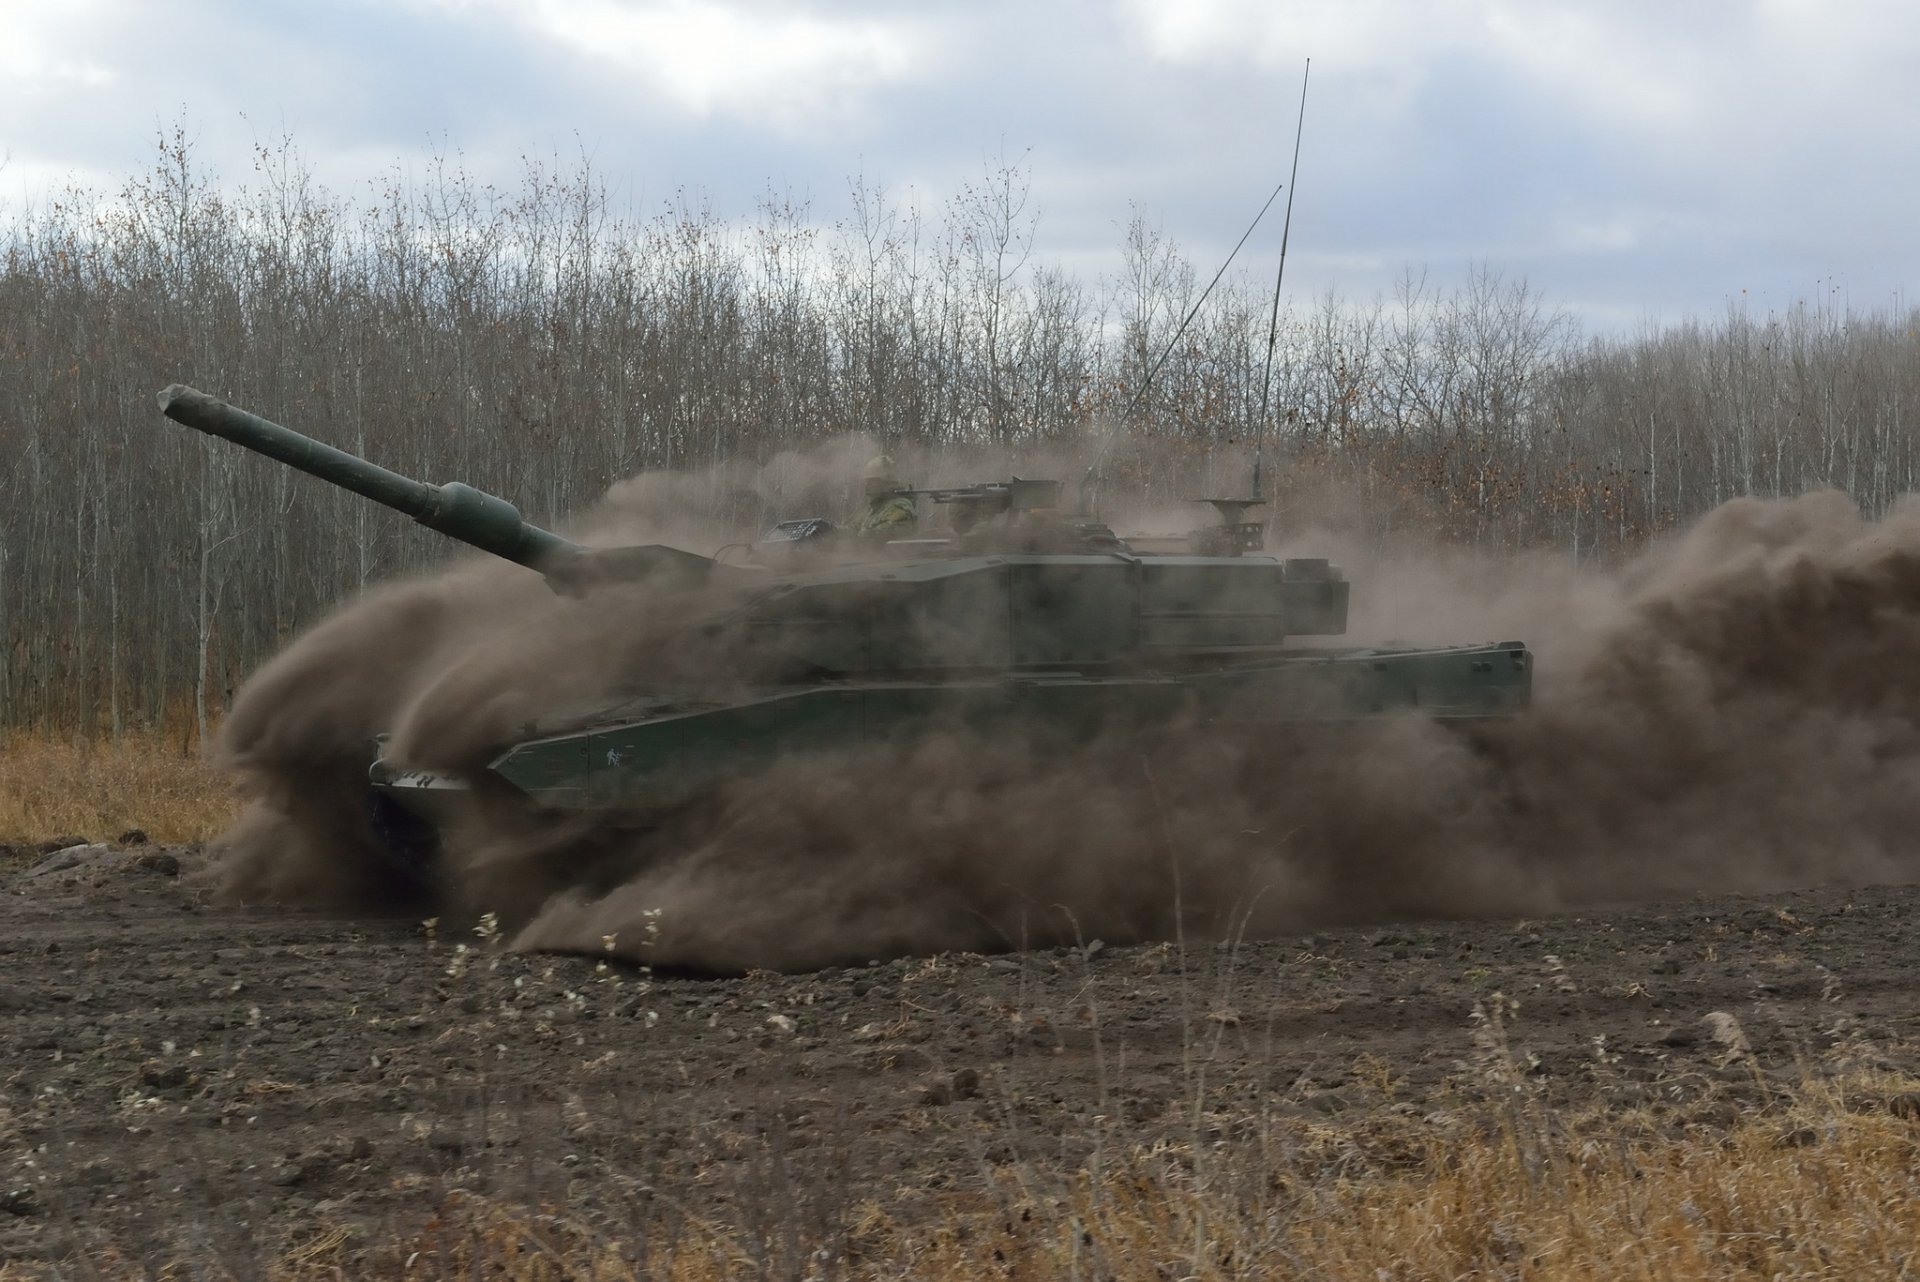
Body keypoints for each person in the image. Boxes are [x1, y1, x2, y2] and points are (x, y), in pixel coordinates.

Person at [855, 454, 917, 538]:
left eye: (871, 480)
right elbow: (854, 529)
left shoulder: (901, 506)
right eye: (866, 481)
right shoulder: (875, 508)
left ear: (885, 481)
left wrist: (863, 535)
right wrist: (833, 530)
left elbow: (892, 532)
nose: (867, 484)